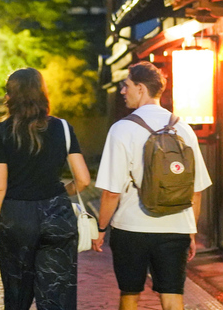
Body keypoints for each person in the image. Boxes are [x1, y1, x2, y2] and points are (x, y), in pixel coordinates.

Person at [91, 62, 212, 310]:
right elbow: (196, 190)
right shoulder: (183, 128)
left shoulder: (122, 129)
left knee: (130, 294)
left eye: (126, 86)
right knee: (172, 297)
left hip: (131, 227)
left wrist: (101, 228)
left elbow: (112, 192)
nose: (123, 91)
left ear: (141, 88)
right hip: (175, 226)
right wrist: (190, 230)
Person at [0, 67, 91, 310]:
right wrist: (63, 193)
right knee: (57, 297)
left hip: (16, 218)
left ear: (12, 95)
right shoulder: (63, 128)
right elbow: (83, 179)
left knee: (17, 296)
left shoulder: (1, 131)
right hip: (56, 215)